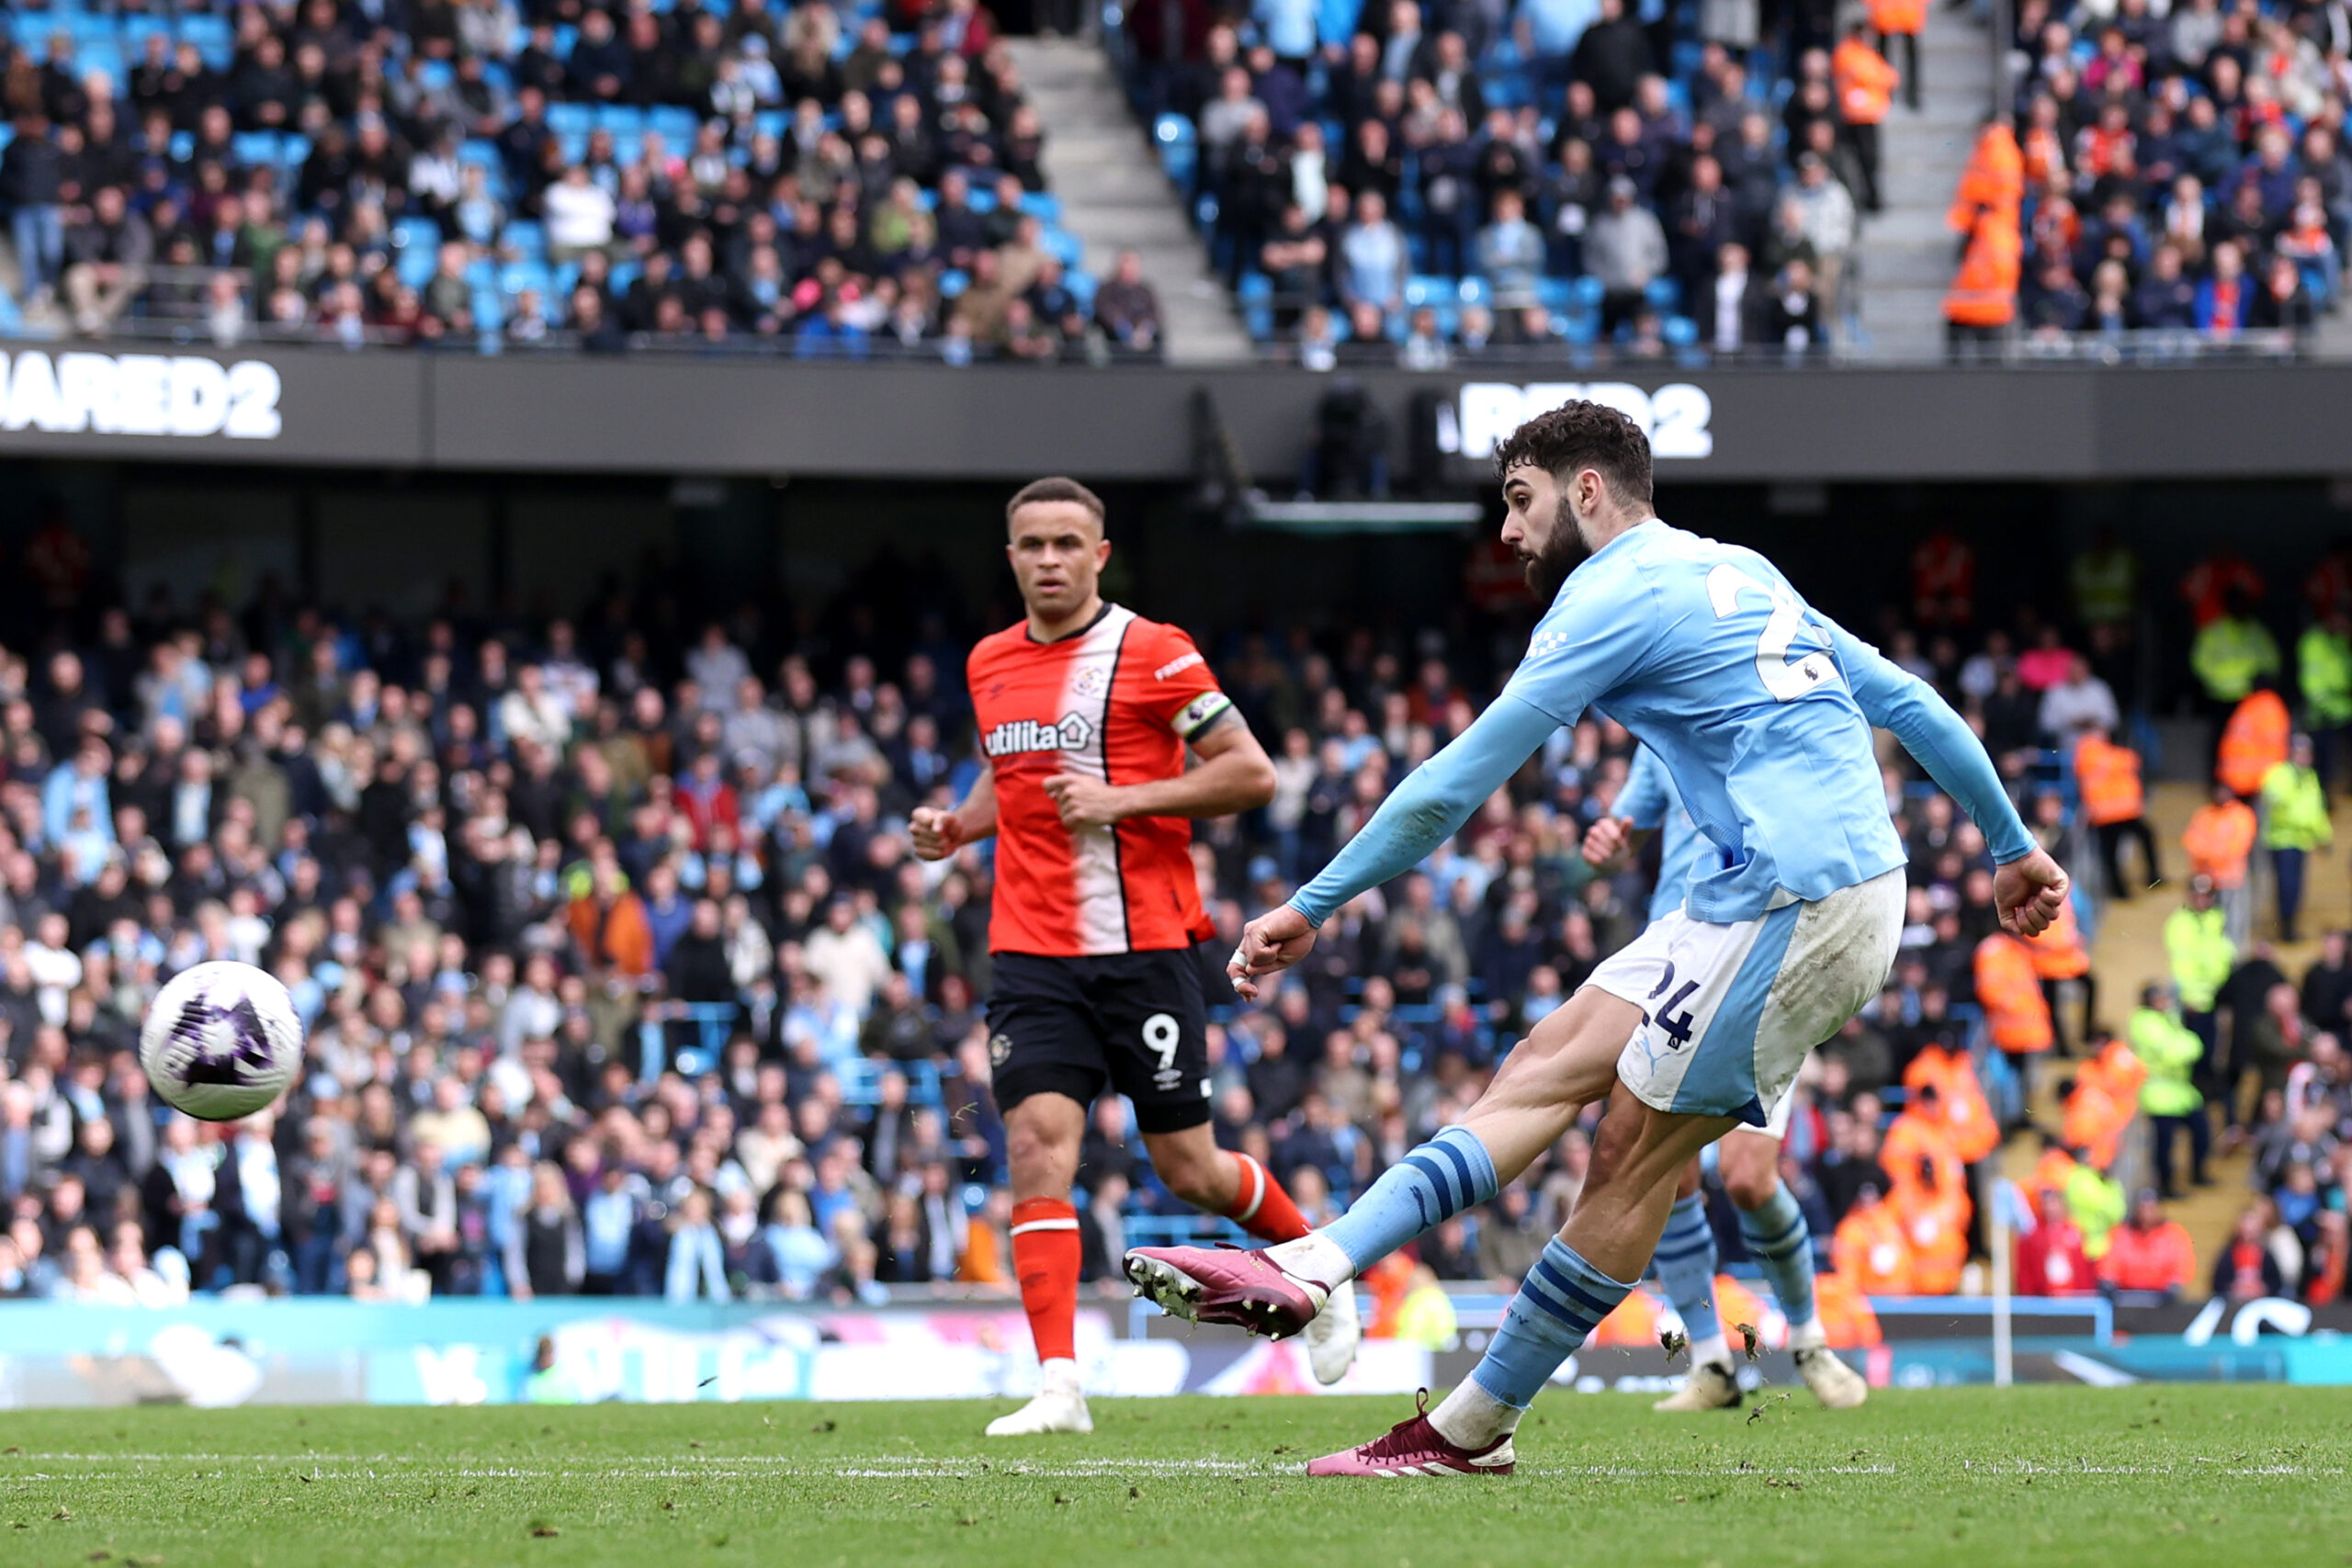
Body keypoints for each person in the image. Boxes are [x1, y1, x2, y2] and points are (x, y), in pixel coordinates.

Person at [1123, 400, 2064, 1475]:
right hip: (1738, 894)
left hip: (1808, 899)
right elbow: (1911, 702)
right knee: (1543, 1065)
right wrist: (2009, 846)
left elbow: (1453, 785)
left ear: (1585, 492)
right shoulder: (1739, 569)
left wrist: (1312, 904)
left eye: (1519, 503)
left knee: (1632, 1157)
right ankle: (1318, 1262)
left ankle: (1468, 1432)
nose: (1508, 533)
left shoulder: (1606, 594)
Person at [910, 477, 1359, 1437]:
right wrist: (958, 826)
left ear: (1100, 554)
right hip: (1030, 953)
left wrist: (1119, 802)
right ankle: (1059, 1385)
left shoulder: (1152, 653)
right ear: (1011, 556)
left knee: (1189, 1167)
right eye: (1031, 544)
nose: (1049, 560)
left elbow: (1250, 772)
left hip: (1144, 947)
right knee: (1035, 1149)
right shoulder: (989, 662)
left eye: (1067, 543)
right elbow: (1011, 777)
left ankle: (1322, 1262)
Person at [1598, 747, 1868, 1413]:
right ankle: (1712, 1362)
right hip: (1678, 956)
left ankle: (1808, 1340)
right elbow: (1624, 825)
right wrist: (1612, 840)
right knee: (1670, 1173)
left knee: (1748, 1177)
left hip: (1764, 959)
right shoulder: (1657, 726)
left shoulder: (1781, 715)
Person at [2131, 983, 2209, 1198]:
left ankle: (2198, 1173)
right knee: (2164, 1145)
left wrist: (2180, 1047)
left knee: (2201, 1130)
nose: (2165, 1002)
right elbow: (2173, 1052)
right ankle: (2165, 1186)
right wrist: (2181, 1047)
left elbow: (2194, 1045)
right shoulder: (2143, 1023)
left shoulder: (2169, 1020)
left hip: (2181, 1091)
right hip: (2159, 1095)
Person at [2258, 733, 2330, 942]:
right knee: (2287, 884)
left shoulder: (2310, 778)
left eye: (2307, 753)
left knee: (2297, 886)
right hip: (2282, 839)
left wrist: (2324, 836)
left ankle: (2289, 924)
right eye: (2299, 752)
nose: (2304, 757)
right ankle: (2286, 926)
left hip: (2302, 840)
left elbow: (2316, 810)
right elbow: (2277, 800)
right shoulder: (2280, 774)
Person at [2074, 727, 2160, 897]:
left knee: (2143, 837)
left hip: (2122, 812)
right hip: (2105, 814)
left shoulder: (2102, 753)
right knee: (2111, 854)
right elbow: (2129, 760)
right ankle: (2120, 889)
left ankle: (2151, 878)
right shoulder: (2090, 753)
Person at [2098, 1190, 2197, 1297]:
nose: (2146, 1213)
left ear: (2160, 1209)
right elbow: (2109, 1264)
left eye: (2151, 1208)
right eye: (2143, 1208)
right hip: (2125, 1295)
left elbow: (2182, 1264)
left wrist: (2175, 1285)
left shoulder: (2175, 1234)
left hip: (2162, 1297)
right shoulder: (2120, 1232)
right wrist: (2109, 1282)